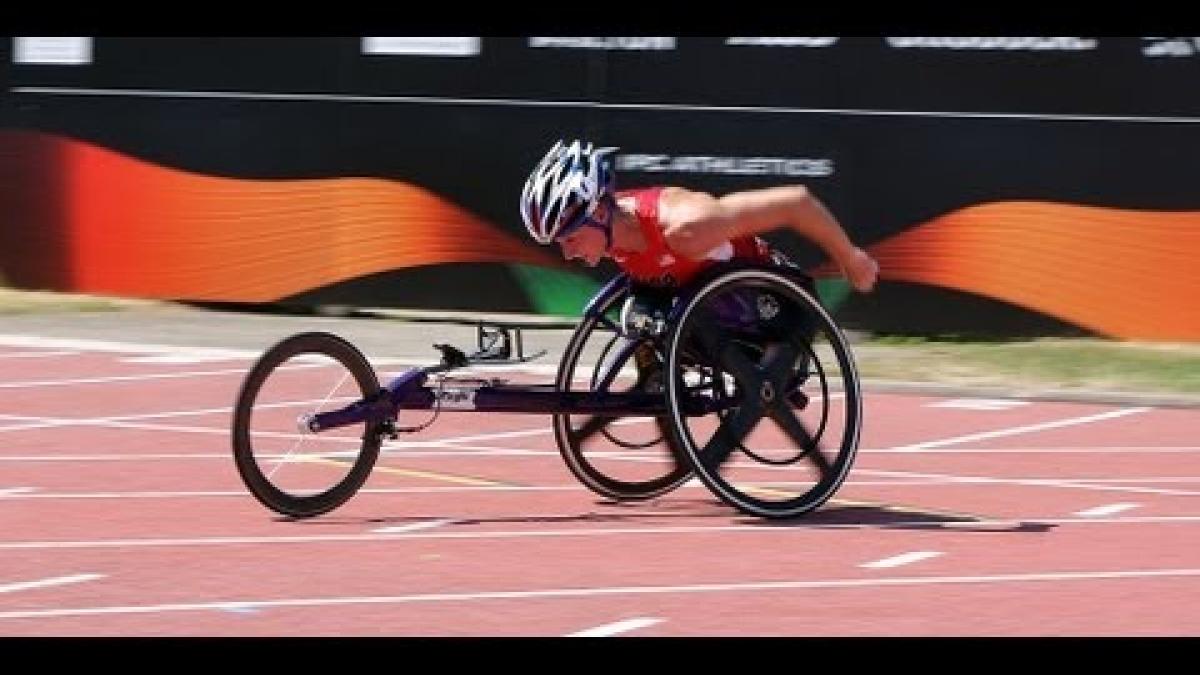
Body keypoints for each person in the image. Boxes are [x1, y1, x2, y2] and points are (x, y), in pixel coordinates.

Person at [519, 139, 879, 295]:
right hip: (702, 312)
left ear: (598, 211)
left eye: (569, 238)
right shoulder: (613, 233)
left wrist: (850, 258)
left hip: (771, 304)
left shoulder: (687, 226)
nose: (567, 254)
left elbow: (796, 202)